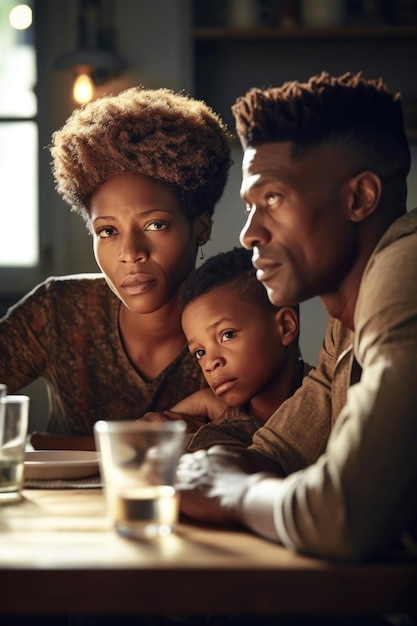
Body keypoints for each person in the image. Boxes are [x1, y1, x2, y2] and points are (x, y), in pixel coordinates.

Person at [176, 71, 417, 567]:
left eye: (274, 199)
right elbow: (278, 451)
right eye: (249, 206)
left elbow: (341, 518)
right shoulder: (344, 323)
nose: (248, 234)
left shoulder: (405, 273)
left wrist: (234, 491)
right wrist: (220, 463)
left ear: (359, 199)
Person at [0, 86, 232, 449]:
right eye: (107, 231)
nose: (131, 253)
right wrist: (139, 441)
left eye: (155, 225)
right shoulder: (58, 310)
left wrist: (53, 443)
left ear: (200, 226)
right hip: (57, 507)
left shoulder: (237, 322)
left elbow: (269, 444)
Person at [143, 246, 316, 453]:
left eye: (227, 335)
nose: (209, 363)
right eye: (200, 352)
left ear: (285, 326)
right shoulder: (210, 429)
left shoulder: (336, 403)